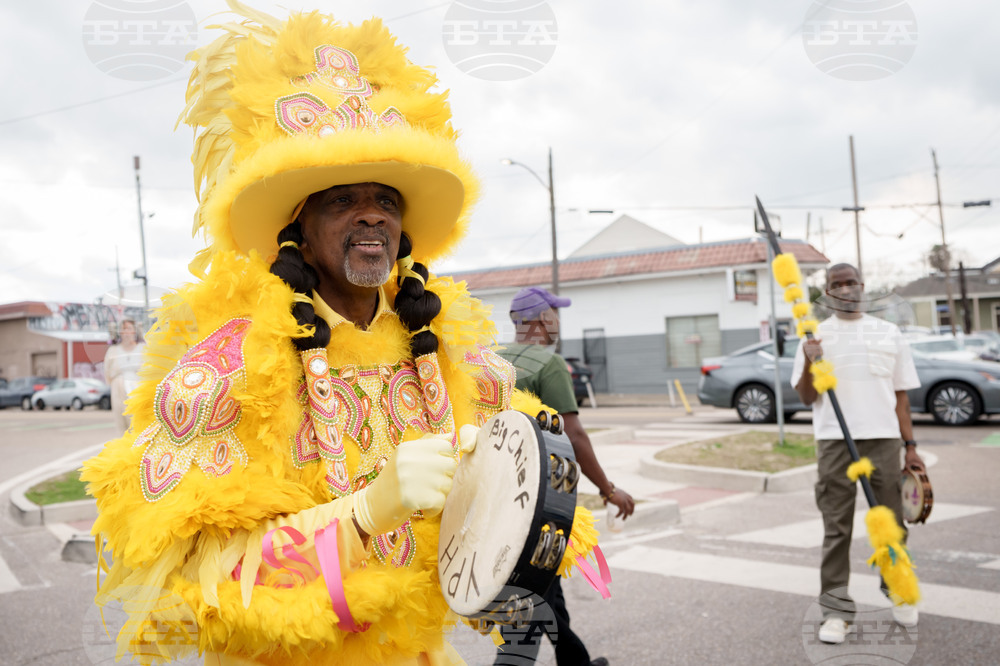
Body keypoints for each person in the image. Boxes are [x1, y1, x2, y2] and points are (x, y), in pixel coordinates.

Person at [81, 4, 597, 665]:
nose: (370, 216)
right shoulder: (229, 367)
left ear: (403, 231)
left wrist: (501, 484)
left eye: (386, 200)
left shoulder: (451, 355)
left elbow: (511, 524)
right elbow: (200, 579)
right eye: (342, 199)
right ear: (298, 229)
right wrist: (365, 512)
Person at [494, 286, 634, 666]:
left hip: (498, 499)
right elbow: (574, 435)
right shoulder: (548, 363)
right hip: (538, 504)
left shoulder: (492, 359)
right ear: (544, 318)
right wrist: (608, 490)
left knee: (546, 593)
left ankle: (577, 662)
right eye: (556, 313)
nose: (558, 321)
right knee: (529, 612)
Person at [791, 263, 926, 645]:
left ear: (862, 287)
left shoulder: (888, 332)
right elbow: (806, 397)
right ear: (828, 292)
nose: (846, 289)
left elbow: (901, 398)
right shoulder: (814, 334)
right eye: (837, 284)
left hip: (883, 439)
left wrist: (910, 447)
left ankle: (898, 590)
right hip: (834, 441)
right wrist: (811, 360)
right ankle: (836, 612)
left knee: (892, 525)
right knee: (837, 529)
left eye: (851, 282)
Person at [103, 318, 145, 434]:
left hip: (137, 390)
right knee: (121, 424)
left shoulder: (142, 349)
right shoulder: (113, 350)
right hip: (118, 390)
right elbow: (107, 371)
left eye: (129, 329)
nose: (126, 332)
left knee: (136, 424)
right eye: (123, 329)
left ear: (135, 331)